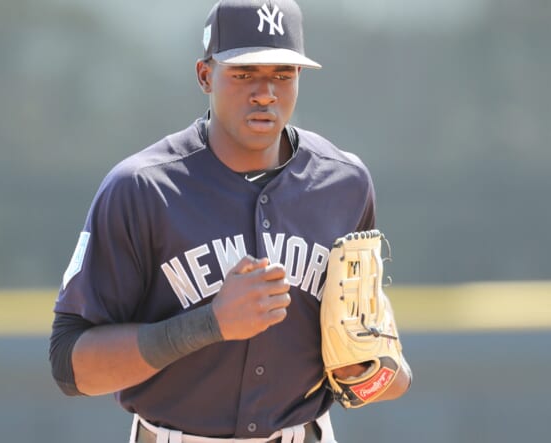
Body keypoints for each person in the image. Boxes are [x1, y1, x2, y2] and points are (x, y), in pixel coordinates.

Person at [48, 0, 412, 442]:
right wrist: (208, 324)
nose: (265, 93)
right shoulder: (141, 189)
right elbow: (71, 365)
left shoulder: (344, 183)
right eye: (244, 73)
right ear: (205, 75)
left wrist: (367, 370)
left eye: (283, 74)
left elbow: (383, 374)